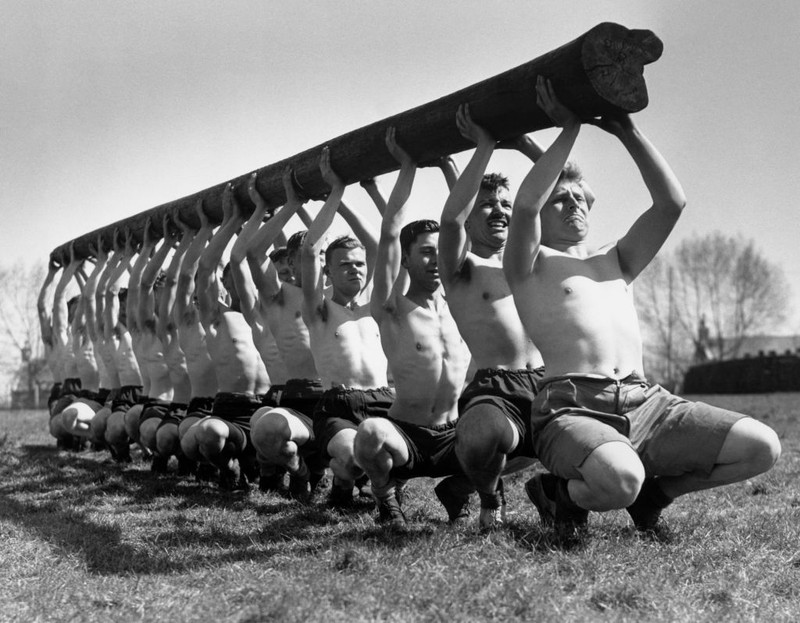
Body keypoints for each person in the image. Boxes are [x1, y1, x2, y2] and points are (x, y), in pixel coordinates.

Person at [503, 77, 781, 540]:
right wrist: (568, 128)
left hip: (647, 401)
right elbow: (527, 203)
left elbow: (671, 202)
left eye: (579, 198)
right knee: (621, 481)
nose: (572, 204)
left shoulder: (617, 259)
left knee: (761, 448)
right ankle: (560, 495)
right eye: (561, 199)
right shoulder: (528, 264)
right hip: (572, 406)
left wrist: (627, 130)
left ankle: (657, 496)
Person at [354, 128, 471, 530]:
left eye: (440, 251)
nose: (436, 259)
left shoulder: (461, 303)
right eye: (425, 252)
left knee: (518, 432)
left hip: (455, 434)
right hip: (407, 435)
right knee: (369, 434)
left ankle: (459, 489)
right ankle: (387, 499)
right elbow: (389, 231)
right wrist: (407, 167)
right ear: (406, 259)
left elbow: (464, 225)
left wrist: (451, 166)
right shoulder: (392, 308)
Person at [438, 104, 546, 529]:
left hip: (547, 378)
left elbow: (567, 191)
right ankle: (488, 498)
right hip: (495, 382)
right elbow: (450, 218)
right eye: (487, 205)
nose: (500, 210)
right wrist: (483, 146)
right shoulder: (460, 268)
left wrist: (524, 145)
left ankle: (553, 493)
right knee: (487, 437)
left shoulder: (528, 260)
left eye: (505, 202)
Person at [298, 146, 392, 508]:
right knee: (355, 458)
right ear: (330, 272)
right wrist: (335, 190)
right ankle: (345, 479)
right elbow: (309, 251)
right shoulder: (319, 310)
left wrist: (359, 194)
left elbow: (382, 244)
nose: (354, 269)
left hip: (383, 399)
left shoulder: (376, 307)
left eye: (359, 265)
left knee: (390, 459)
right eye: (345, 265)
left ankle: (346, 487)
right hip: (339, 404)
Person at [188, 184, 271, 491]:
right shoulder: (216, 318)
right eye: (230, 278)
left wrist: (257, 220)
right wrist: (231, 221)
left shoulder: (265, 312)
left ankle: (268, 466)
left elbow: (264, 258)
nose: (237, 282)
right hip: (230, 408)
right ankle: (226, 464)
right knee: (208, 435)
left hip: (267, 404)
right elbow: (207, 265)